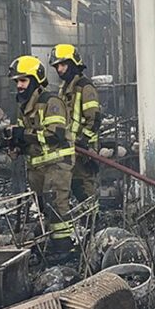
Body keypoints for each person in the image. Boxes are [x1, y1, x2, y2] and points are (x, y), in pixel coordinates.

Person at [8, 55, 75, 254]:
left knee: (57, 206)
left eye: (23, 80)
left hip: (57, 163)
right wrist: (15, 145)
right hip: (37, 167)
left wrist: (23, 134)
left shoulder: (51, 102)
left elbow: (55, 134)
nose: (19, 85)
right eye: (17, 81)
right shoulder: (24, 106)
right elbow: (27, 138)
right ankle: (54, 243)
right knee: (45, 208)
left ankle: (64, 249)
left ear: (36, 79)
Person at [48, 44, 101, 204]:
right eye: (57, 66)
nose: (59, 70)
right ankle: (83, 216)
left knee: (85, 187)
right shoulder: (64, 88)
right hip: (70, 147)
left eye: (63, 65)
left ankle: (92, 216)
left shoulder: (85, 87)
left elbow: (95, 119)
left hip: (84, 149)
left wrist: (83, 140)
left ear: (73, 64)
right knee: (74, 186)